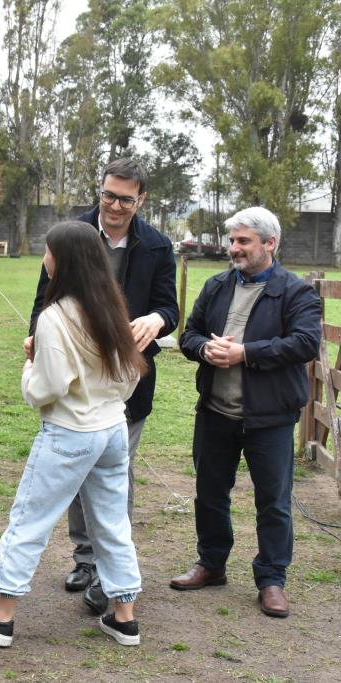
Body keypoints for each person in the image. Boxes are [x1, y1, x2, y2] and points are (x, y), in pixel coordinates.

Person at [0, 220, 147, 648]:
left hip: (69, 434)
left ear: (61, 260)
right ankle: (124, 618)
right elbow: (130, 374)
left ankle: (1, 618)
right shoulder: (113, 308)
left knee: (29, 520)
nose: (45, 257)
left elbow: (47, 388)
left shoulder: (55, 317)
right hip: (113, 430)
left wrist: (30, 365)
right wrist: (45, 358)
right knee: (113, 525)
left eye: (48, 251)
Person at [28, 158, 177, 615]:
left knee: (115, 476)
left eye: (125, 200)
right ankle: (85, 558)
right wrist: (37, 338)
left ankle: (111, 575)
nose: (114, 206)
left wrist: (156, 319)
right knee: (76, 471)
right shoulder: (72, 235)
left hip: (126, 384)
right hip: (74, 383)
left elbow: (170, 308)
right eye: (108, 195)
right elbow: (44, 298)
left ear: (141, 200)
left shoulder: (157, 246)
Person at [172, 207, 320, 619]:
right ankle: (211, 563)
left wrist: (245, 353)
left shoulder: (295, 292)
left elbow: (305, 343)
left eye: (243, 241)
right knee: (210, 492)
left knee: (273, 501)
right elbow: (188, 335)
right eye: (232, 241)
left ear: (270, 243)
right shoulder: (217, 286)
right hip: (215, 411)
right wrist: (204, 348)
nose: (233, 248)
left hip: (270, 417)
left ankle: (271, 579)